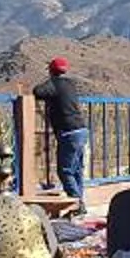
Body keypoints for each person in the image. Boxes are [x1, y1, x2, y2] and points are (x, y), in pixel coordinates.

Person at [33, 56, 89, 204]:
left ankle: (77, 203)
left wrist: (49, 81)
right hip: (81, 130)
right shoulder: (70, 84)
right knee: (76, 170)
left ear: (51, 71)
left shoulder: (54, 84)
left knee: (65, 171)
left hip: (69, 132)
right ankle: (79, 200)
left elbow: (37, 91)